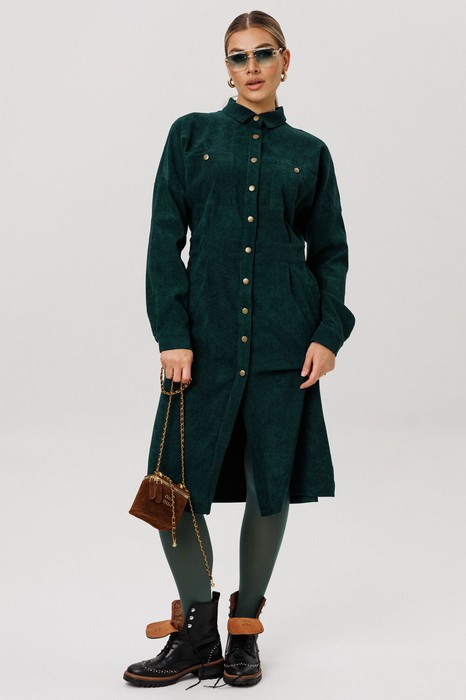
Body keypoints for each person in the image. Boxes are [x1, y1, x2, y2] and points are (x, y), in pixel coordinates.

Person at [123, 9, 356, 689]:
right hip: (204, 346)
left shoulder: (309, 152)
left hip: (286, 347)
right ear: (226, 67)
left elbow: (330, 251)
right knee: (170, 492)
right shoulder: (190, 136)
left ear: (286, 61)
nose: (251, 67)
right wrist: (173, 334)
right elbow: (163, 240)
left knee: (268, 486)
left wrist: (328, 334)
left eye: (262, 53)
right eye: (237, 56)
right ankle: (197, 635)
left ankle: (244, 632)